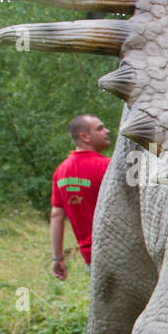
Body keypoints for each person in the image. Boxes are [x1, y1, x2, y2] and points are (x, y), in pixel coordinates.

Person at [50, 114, 111, 280]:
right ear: (85, 137)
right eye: (100, 128)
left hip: (91, 257)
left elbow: (56, 216)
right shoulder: (107, 167)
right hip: (119, 251)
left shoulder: (60, 172)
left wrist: (57, 258)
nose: (107, 131)